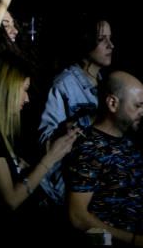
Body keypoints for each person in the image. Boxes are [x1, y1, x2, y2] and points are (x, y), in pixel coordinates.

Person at [0, 55, 80, 247]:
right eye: (24, 90)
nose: (27, 98)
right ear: (6, 88)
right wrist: (50, 159)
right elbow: (11, 200)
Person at [38, 15, 116, 206]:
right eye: (102, 39)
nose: (111, 45)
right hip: (70, 192)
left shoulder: (108, 83)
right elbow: (44, 141)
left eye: (110, 38)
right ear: (86, 41)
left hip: (101, 190)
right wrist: (72, 128)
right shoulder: (63, 84)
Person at [66, 71, 143, 246]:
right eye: (138, 105)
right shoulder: (89, 148)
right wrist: (133, 240)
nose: (142, 112)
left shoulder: (130, 139)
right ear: (113, 103)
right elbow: (77, 216)